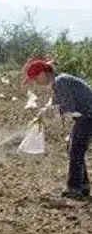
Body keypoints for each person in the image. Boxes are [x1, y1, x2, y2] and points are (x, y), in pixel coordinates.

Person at [23, 57, 92, 200]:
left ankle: (74, 188)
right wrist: (43, 114)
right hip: (84, 116)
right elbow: (55, 104)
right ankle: (83, 185)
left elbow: (67, 109)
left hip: (87, 116)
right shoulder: (59, 82)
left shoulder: (61, 82)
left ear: (42, 74)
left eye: (35, 79)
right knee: (73, 148)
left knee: (75, 150)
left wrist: (47, 114)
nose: (36, 83)